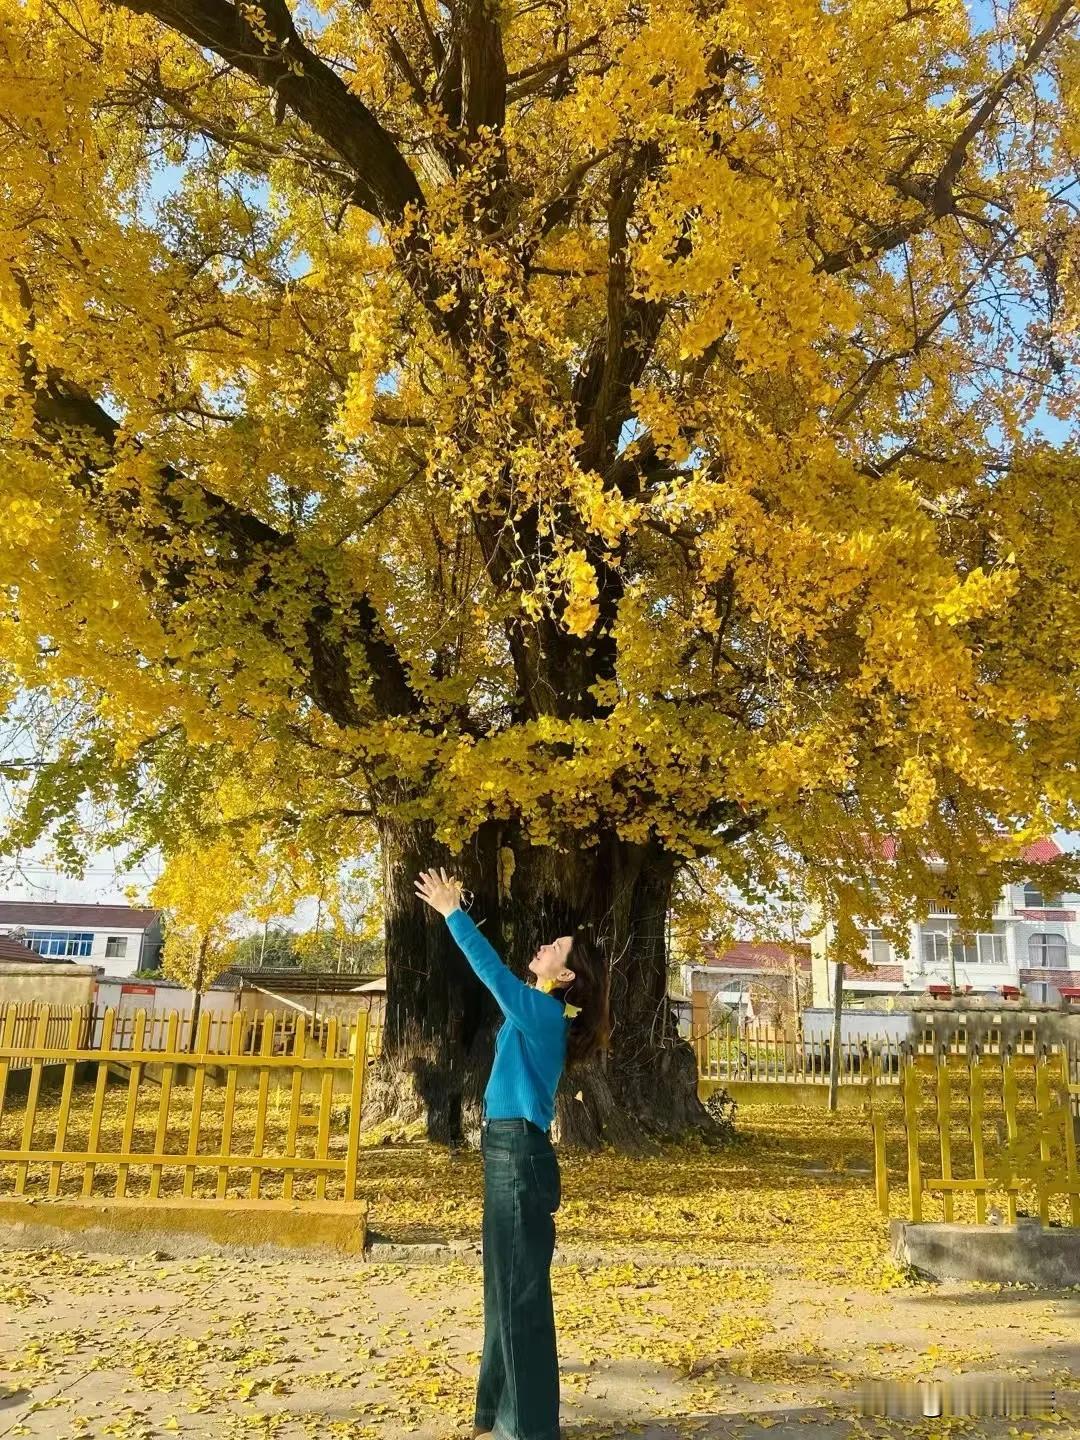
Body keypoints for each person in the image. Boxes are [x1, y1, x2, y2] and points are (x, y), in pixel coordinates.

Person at [413, 866, 607, 1440]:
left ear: (566, 973)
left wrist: (454, 913)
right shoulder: (542, 1009)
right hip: (505, 1151)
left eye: (557, 947)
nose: (544, 945)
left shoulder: (544, 1012)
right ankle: (494, 1415)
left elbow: (492, 975)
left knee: (520, 1296)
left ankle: (528, 1429)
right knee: (502, 1290)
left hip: (519, 1158)